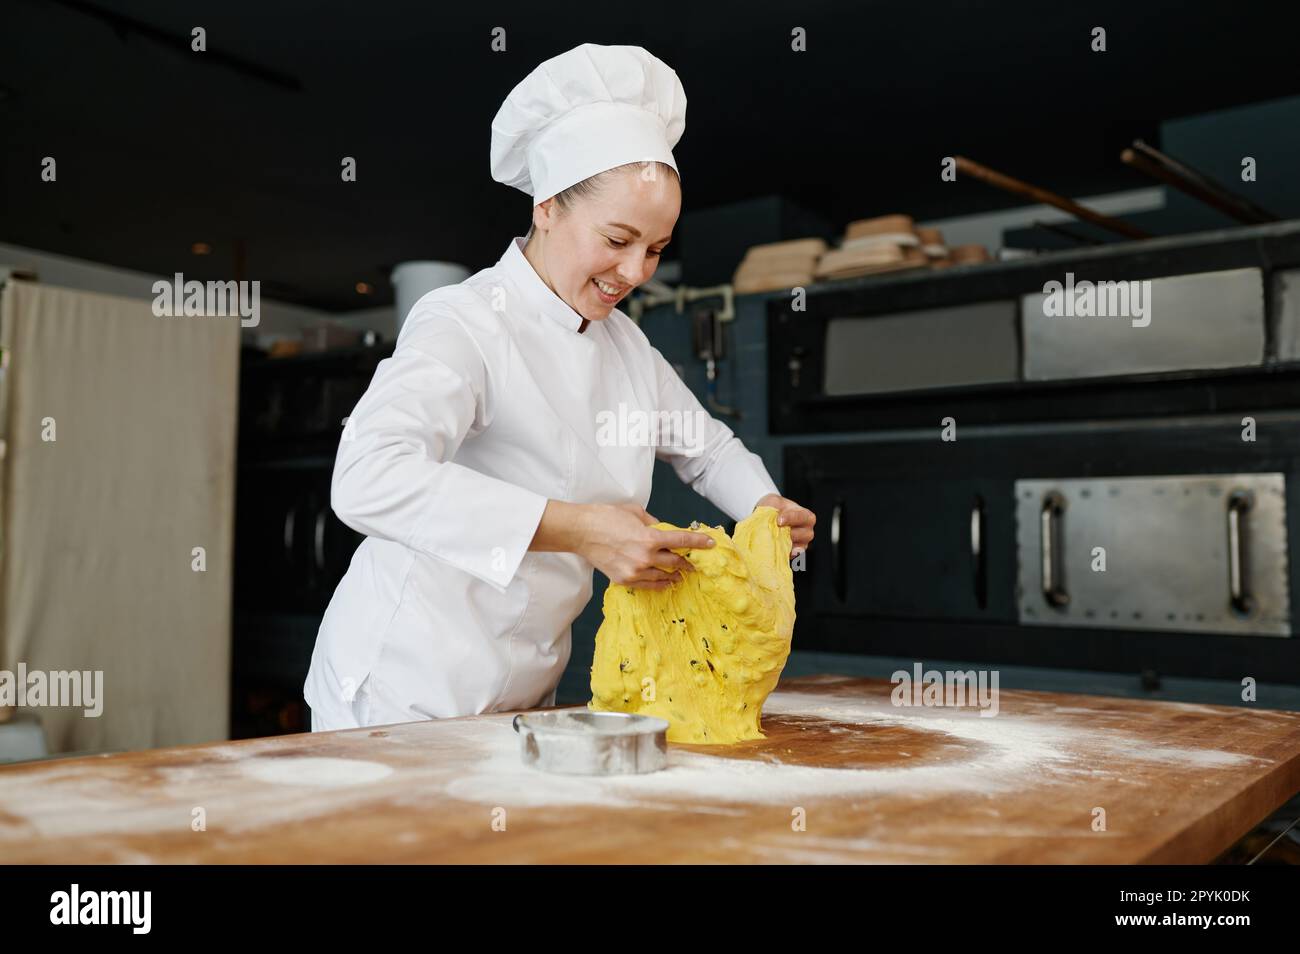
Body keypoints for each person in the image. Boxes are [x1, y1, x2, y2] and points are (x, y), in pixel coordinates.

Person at [304, 43, 815, 731]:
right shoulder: (465, 322)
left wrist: (765, 507)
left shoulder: (626, 346)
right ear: (546, 207)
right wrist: (585, 530)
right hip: (402, 684)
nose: (635, 271)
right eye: (617, 238)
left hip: (525, 689)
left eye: (657, 248)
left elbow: (707, 449)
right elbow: (367, 476)